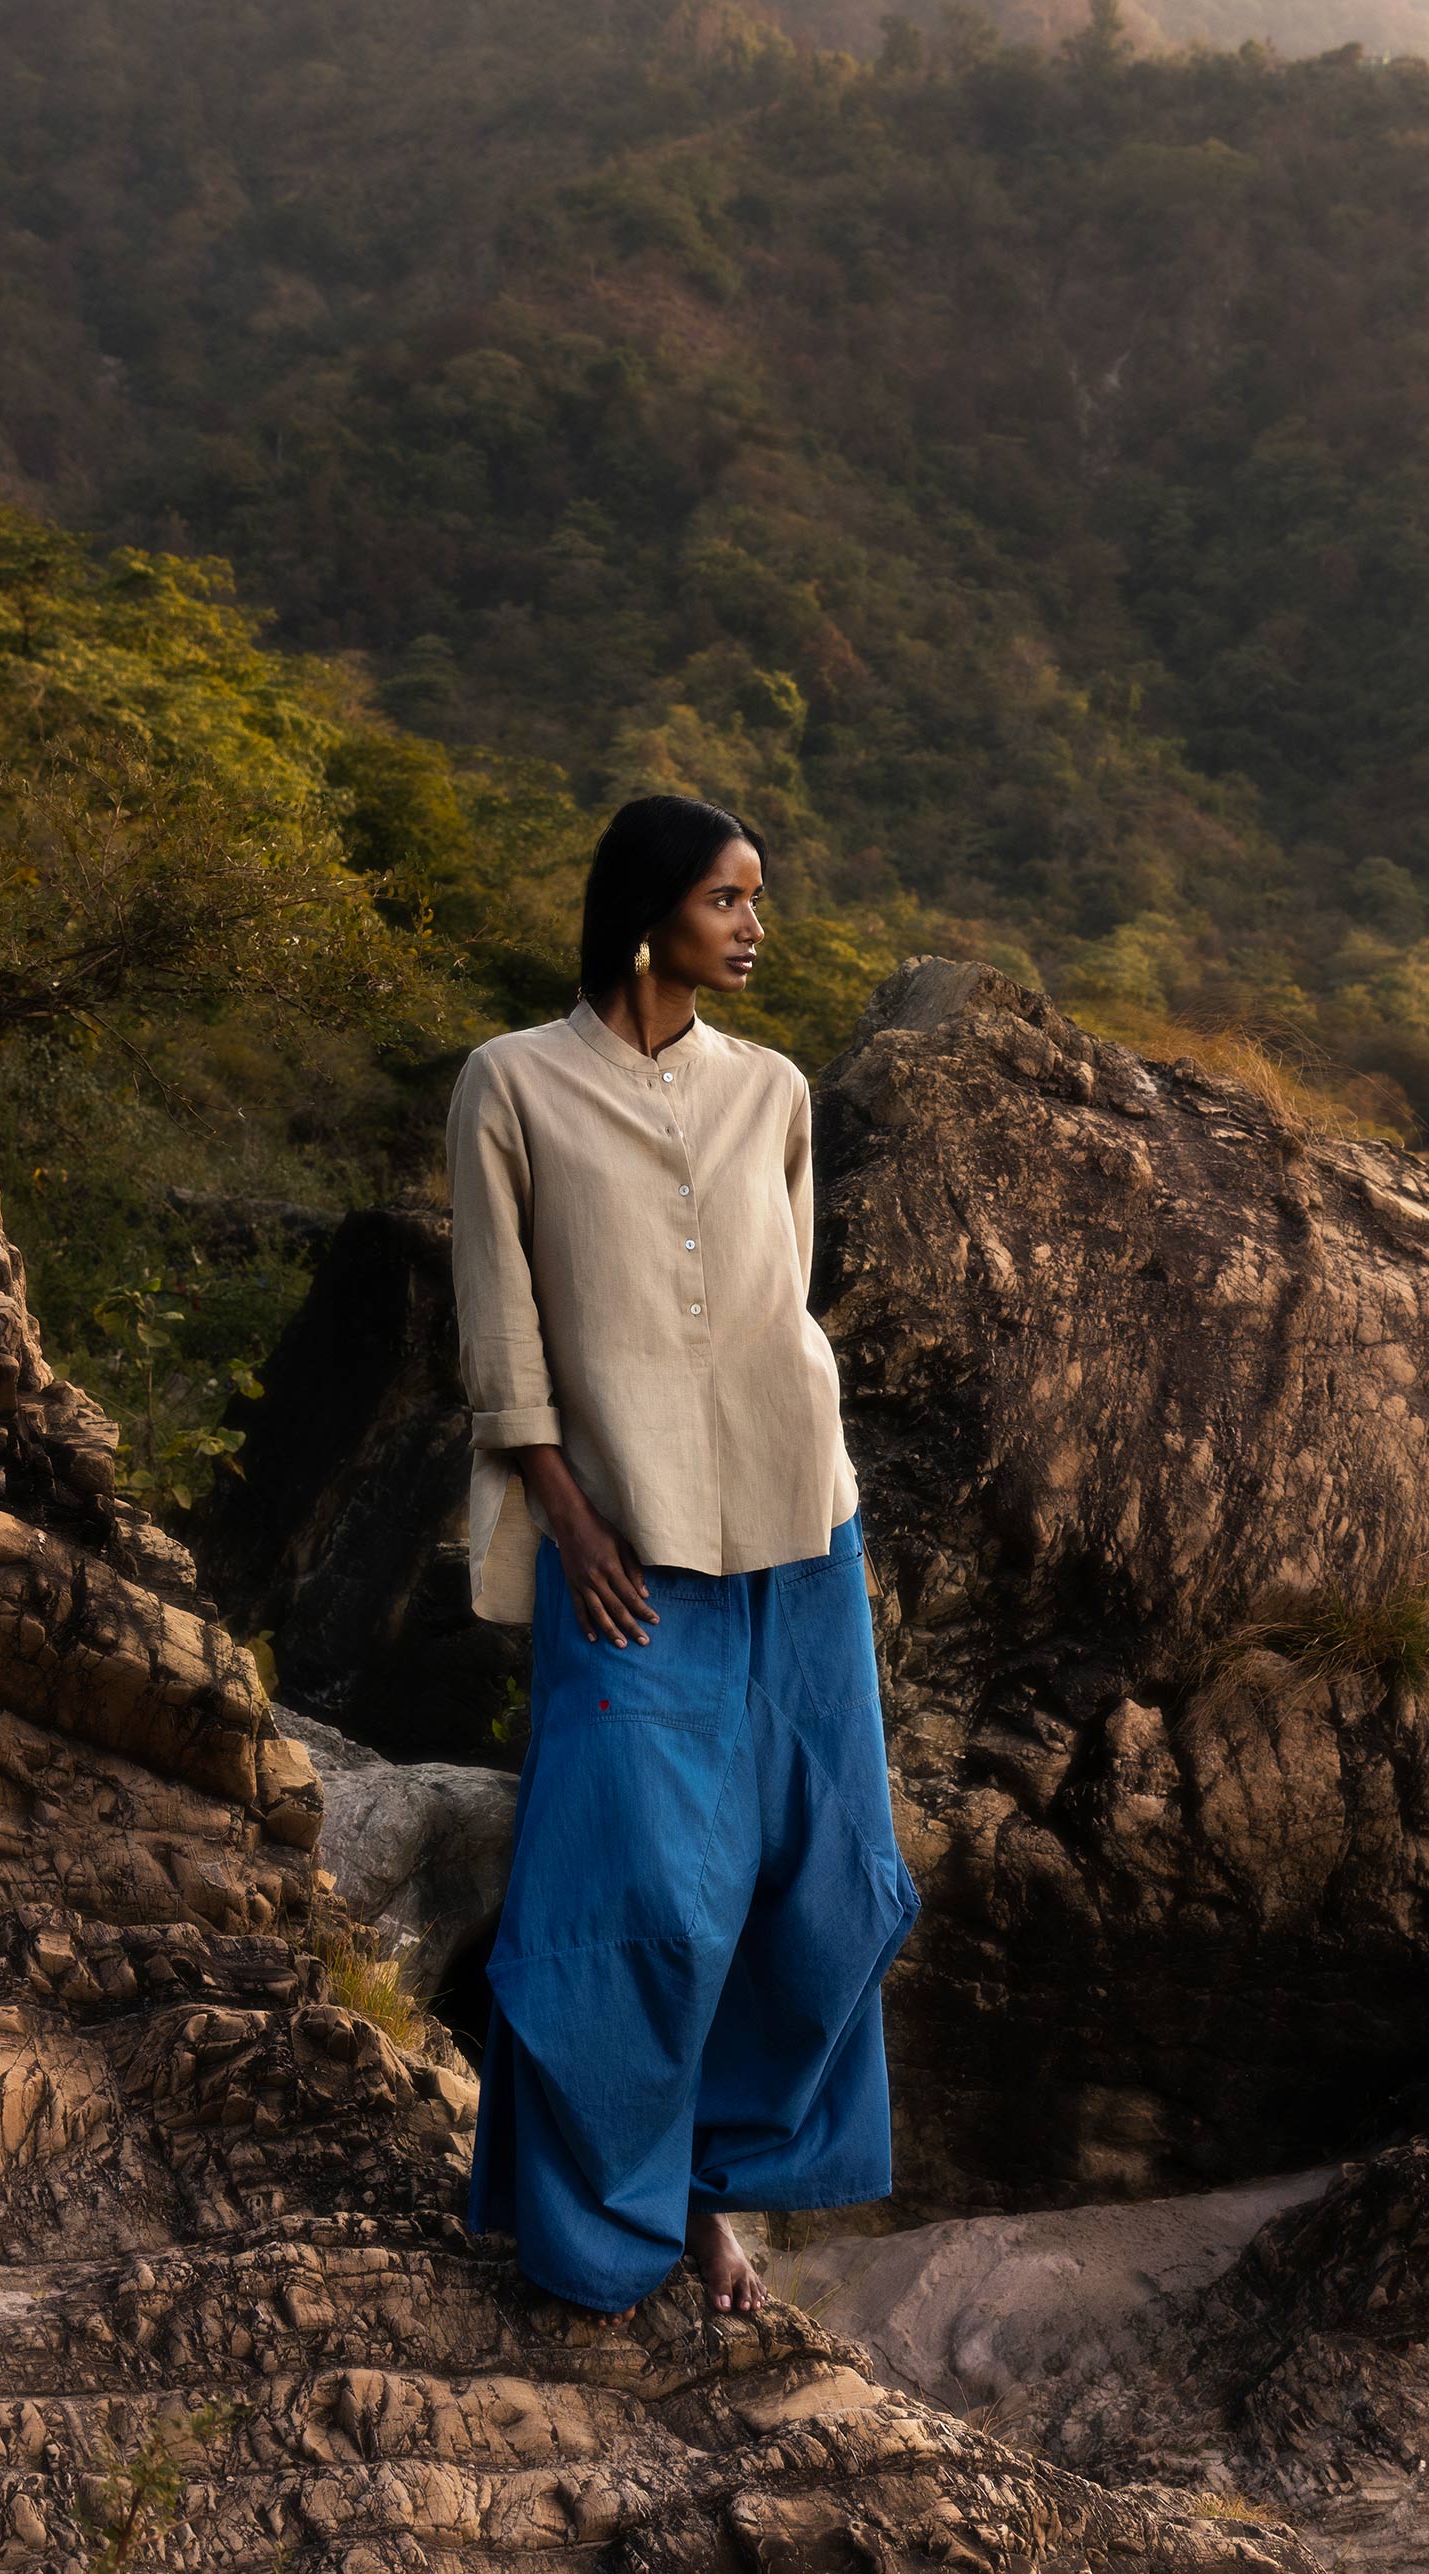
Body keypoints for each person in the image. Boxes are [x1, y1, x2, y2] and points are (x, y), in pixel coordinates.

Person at [443, 791, 921, 2324]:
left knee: (817, 1886)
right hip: (623, 1550)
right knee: (633, 1892)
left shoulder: (773, 1091)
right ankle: (596, 2227)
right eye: (728, 898)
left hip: (799, 1536)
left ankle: (709, 2191)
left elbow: (782, 1309)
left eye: (753, 897)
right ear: (649, 913)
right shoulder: (510, 1084)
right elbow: (500, 1334)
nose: (754, 925)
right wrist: (570, 1515)